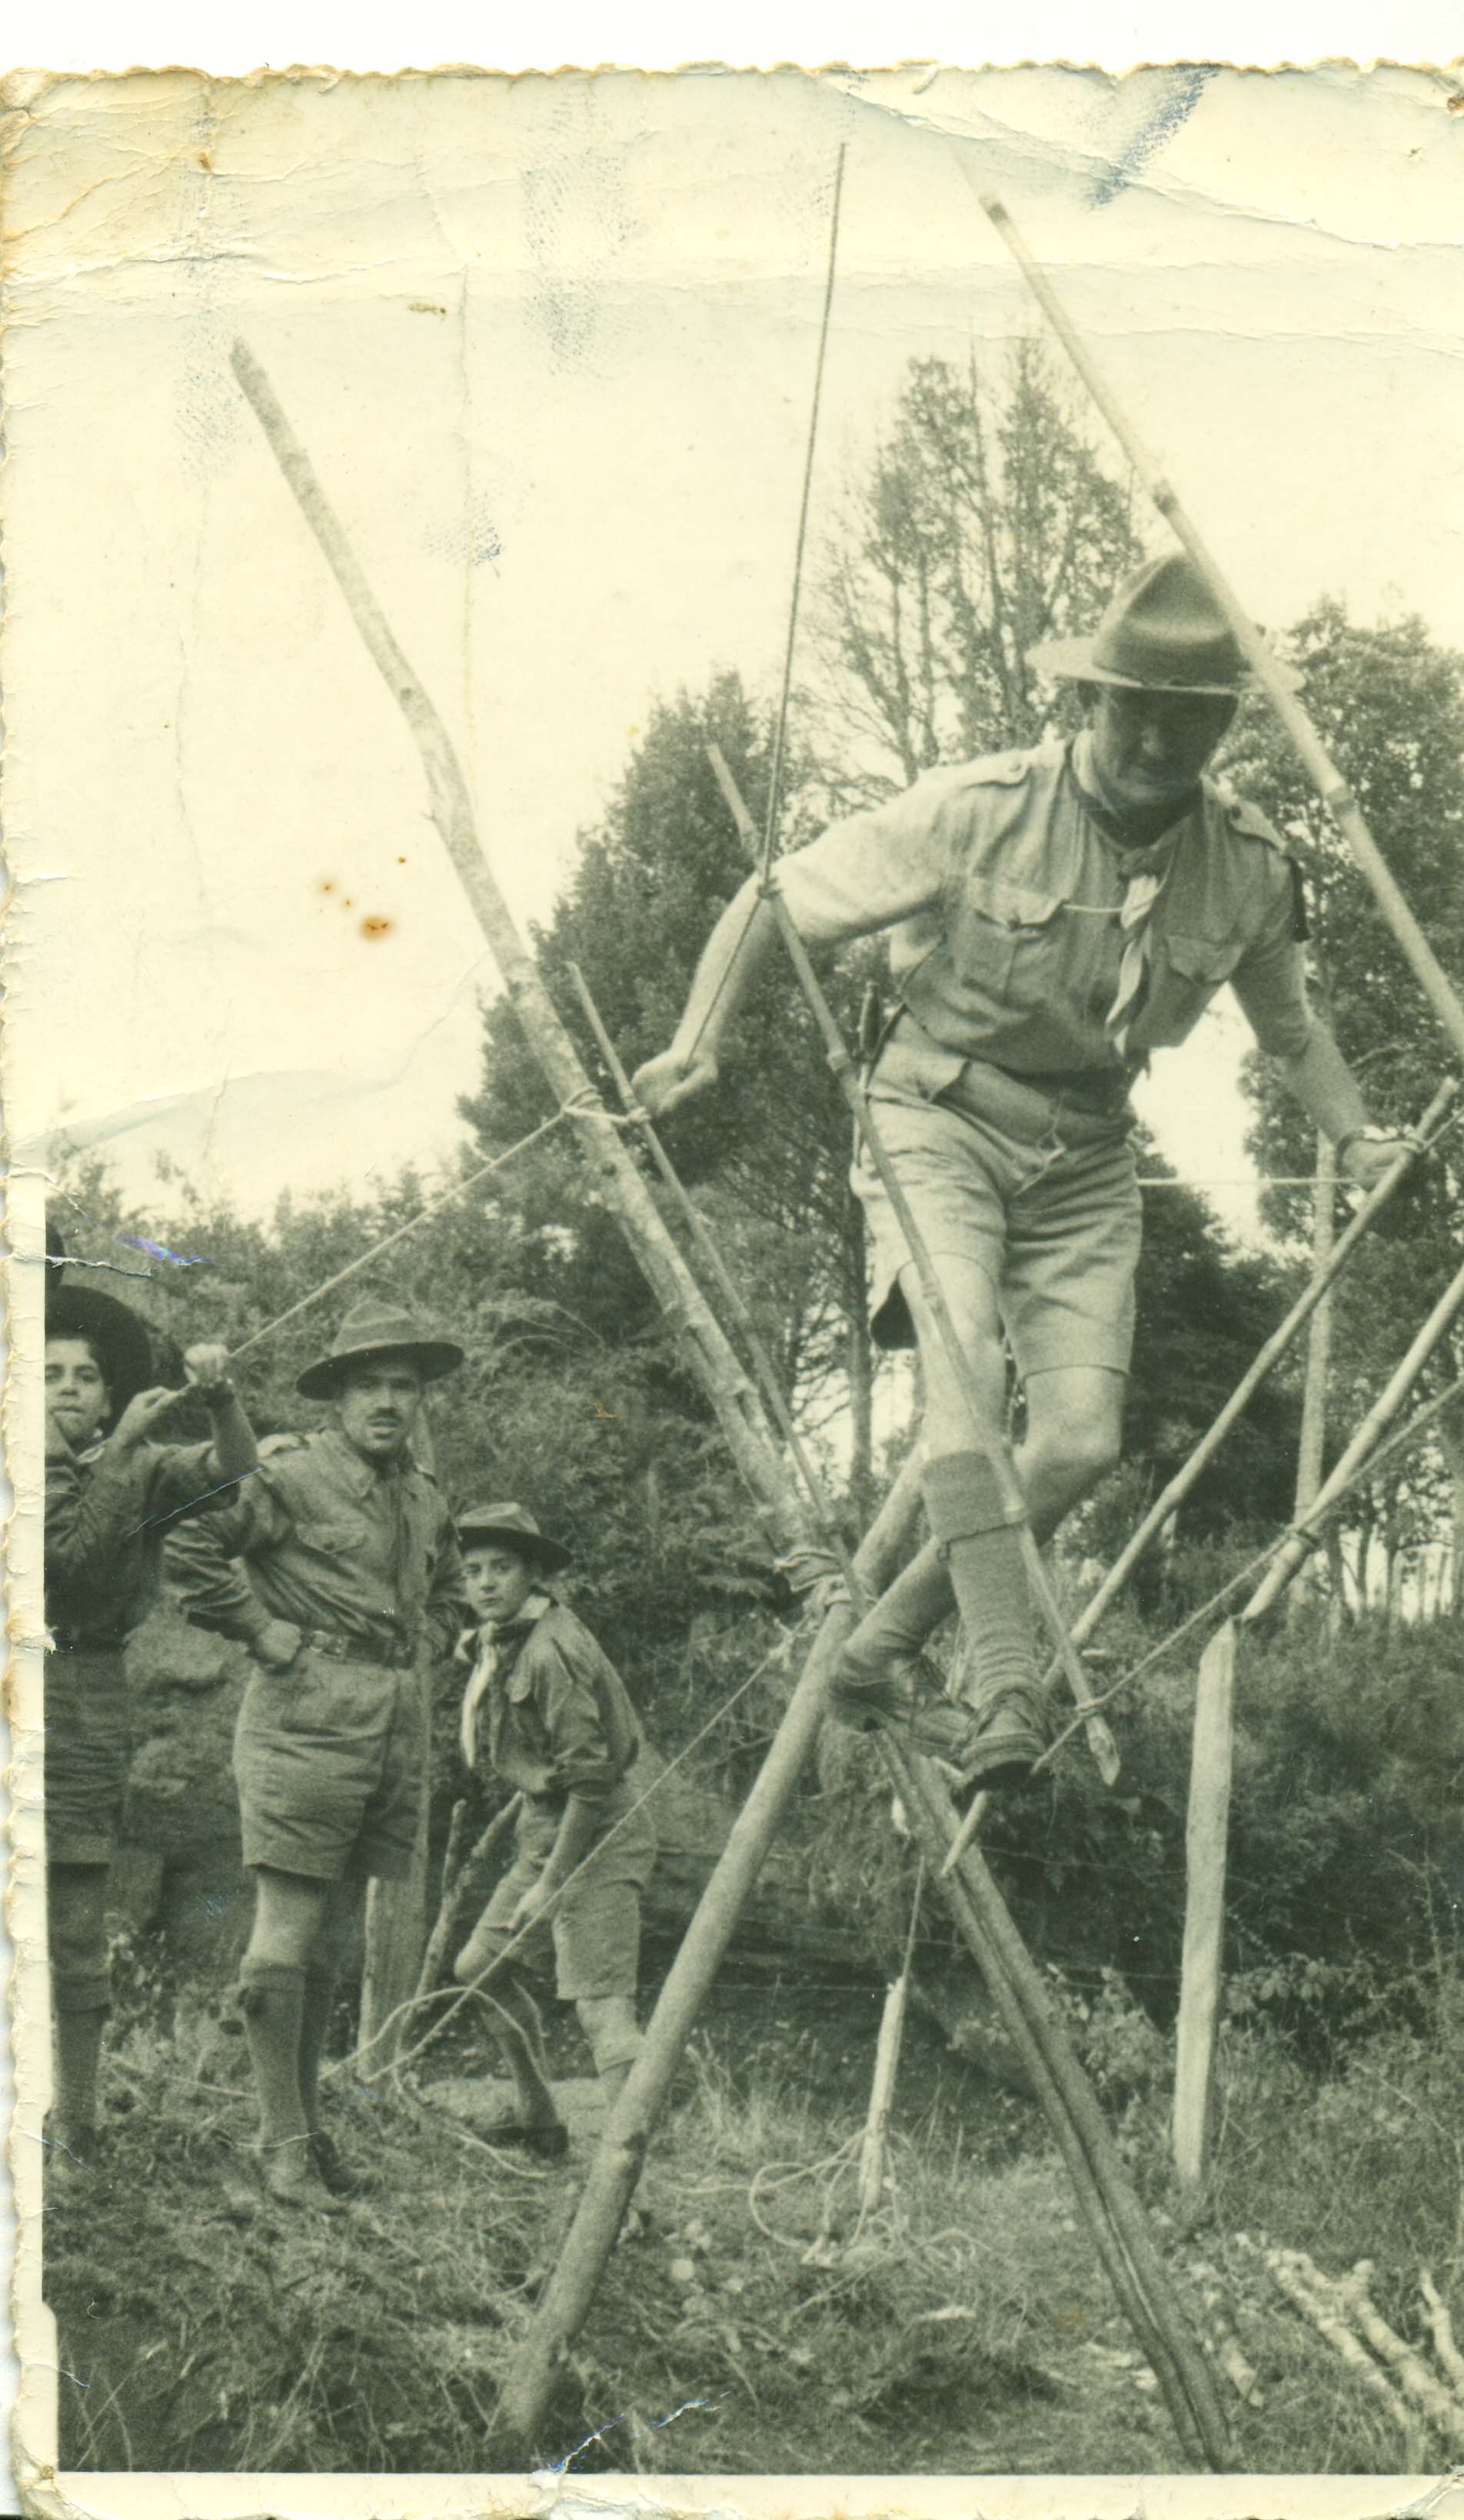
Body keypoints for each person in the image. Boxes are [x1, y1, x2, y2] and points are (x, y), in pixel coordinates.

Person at [634, 553, 1419, 1786]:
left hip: (1091, 1154)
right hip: (936, 1113)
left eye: (1193, 715)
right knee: (963, 1368)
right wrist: (698, 1040)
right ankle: (1005, 1683)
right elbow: (771, 899)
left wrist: (1358, 1137)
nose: (1160, 737)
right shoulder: (978, 808)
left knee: (1078, 1443)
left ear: (1225, 723)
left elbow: (1295, 1029)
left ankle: (880, 1642)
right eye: (1135, 706)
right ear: (1088, 701)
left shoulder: (1252, 865)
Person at [167, 1296, 467, 2209]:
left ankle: (306, 2125)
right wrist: (263, 1631)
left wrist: (436, 1637)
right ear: (336, 1395)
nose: (387, 1401)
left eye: (403, 1386)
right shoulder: (288, 1474)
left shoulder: (423, 1494)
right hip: (304, 1720)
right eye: (368, 1384)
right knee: (287, 1932)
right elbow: (187, 1544)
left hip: (391, 1728)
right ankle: (279, 2145)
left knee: (333, 1939)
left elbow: (449, 1590)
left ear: (420, 1400)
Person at [44, 1278, 257, 2188]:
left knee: (76, 1916)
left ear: (108, 1390)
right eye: (46, 1371)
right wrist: (128, 1444)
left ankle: (78, 2125)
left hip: (85, 1692)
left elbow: (232, 1468)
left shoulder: (130, 1463)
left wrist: (222, 1398)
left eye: (87, 1375)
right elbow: (68, 1563)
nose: (67, 1388)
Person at [451, 1504, 655, 2160]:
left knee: (602, 2009)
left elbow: (592, 1781)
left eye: (501, 1569)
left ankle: (627, 2174)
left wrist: (554, 1880)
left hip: (596, 1831)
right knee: (479, 1970)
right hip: (547, 1829)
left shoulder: (551, 1652)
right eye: (473, 1571)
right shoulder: (505, 1637)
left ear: (533, 1573)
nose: (484, 1584)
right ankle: (540, 2122)